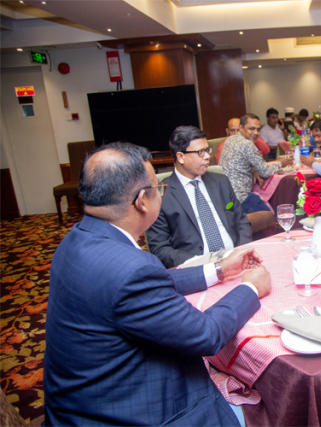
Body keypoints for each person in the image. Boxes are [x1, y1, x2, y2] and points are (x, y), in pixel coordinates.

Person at [44, 141, 273, 426]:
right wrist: (251, 288)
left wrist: (219, 270)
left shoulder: (76, 239)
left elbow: (146, 284)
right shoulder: (131, 269)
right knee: (268, 408)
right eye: (158, 188)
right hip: (126, 412)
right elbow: (206, 335)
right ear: (142, 200)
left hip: (77, 403)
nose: (161, 194)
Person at [146, 126, 252, 269]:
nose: (207, 156)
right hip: (198, 268)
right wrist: (204, 262)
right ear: (180, 157)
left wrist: (241, 252)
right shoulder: (161, 195)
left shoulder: (221, 182)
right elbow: (160, 249)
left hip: (237, 259)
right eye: (200, 152)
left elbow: (241, 221)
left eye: (207, 150)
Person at [220, 114, 293, 213]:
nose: (256, 133)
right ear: (241, 127)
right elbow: (265, 172)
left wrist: (253, 170)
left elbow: (239, 162)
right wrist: (281, 163)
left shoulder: (230, 139)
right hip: (240, 198)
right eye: (251, 129)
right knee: (270, 215)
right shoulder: (247, 144)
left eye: (258, 129)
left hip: (225, 197)